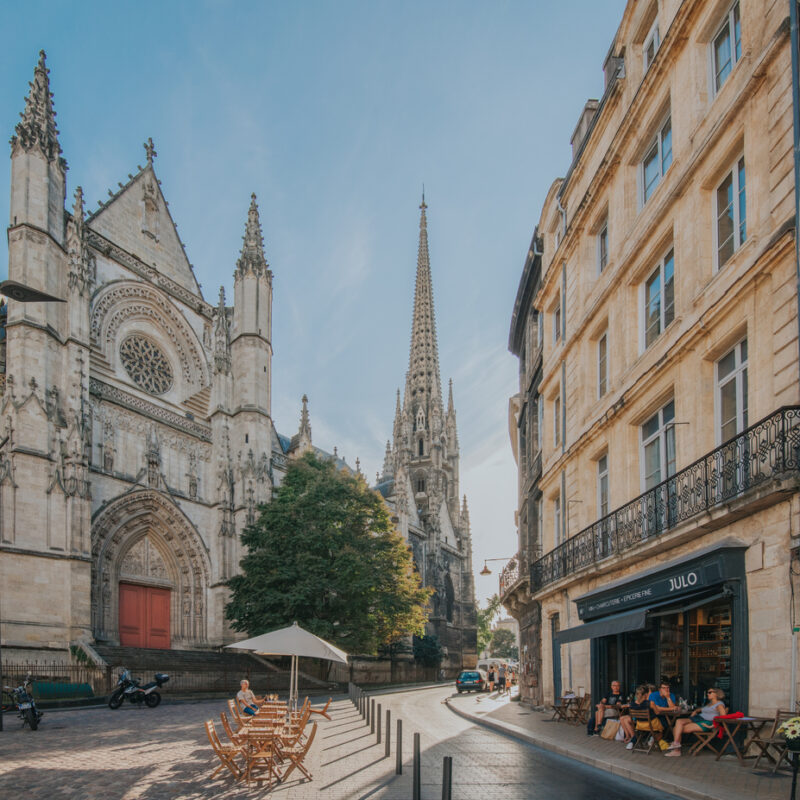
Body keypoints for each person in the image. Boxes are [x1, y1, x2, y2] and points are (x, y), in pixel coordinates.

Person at [664, 687, 727, 757]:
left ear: (716, 694)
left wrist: (713, 725)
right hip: (698, 718)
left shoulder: (719, 705)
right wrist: (695, 711)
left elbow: (723, 717)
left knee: (676, 729)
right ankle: (676, 745)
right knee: (678, 721)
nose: (707, 694)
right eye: (707, 692)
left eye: (710, 692)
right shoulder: (710, 703)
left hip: (706, 722)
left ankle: (676, 750)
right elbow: (701, 709)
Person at [648, 681, 678, 751]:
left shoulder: (671, 695)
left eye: (668, 688)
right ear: (660, 689)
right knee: (666, 725)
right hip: (653, 717)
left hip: (665, 716)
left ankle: (656, 739)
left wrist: (668, 697)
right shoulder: (653, 695)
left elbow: (673, 708)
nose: (666, 690)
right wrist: (670, 708)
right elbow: (656, 707)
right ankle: (655, 739)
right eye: (664, 688)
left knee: (671, 724)